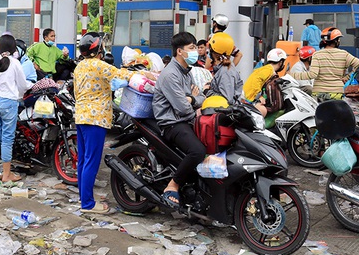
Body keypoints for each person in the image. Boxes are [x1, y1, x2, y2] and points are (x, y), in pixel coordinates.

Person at [74, 32, 141, 213]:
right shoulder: (99, 65)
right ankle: (87, 204)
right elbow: (123, 75)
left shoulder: (80, 66)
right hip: (96, 118)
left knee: (83, 160)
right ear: (98, 48)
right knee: (91, 161)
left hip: (81, 116)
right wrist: (145, 73)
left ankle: (84, 198)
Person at [153, 32, 207, 208]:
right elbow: (183, 107)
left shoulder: (186, 72)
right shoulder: (171, 75)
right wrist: (192, 99)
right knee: (197, 151)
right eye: (191, 48)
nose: (195, 52)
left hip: (186, 119)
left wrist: (192, 99)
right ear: (180, 51)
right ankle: (173, 185)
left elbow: (201, 97)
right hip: (172, 123)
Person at [0, 34, 33, 182]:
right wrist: (19, 94)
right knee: (7, 139)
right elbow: (22, 85)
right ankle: (7, 174)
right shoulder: (15, 63)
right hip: (9, 103)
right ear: (13, 48)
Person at [290, 27, 359, 102]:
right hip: (337, 92)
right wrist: (347, 77)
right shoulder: (344, 54)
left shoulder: (317, 54)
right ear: (336, 41)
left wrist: (293, 75)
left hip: (319, 94)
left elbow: (313, 74)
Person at [242, 49, 287, 117]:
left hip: (250, 95)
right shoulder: (268, 70)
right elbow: (256, 80)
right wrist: (259, 96)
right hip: (250, 97)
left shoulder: (267, 69)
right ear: (280, 62)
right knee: (262, 110)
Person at [204, 32, 243, 105]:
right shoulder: (223, 69)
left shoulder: (225, 72)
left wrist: (207, 91)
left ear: (213, 51)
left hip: (225, 114)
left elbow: (226, 100)